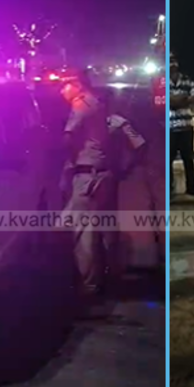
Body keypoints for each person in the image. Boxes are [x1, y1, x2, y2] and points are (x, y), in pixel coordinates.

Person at [60, 72, 115, 298]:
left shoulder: (81, 104)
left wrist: (64, 159)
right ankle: (100, 278)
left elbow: (68, 137)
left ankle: (87, 286)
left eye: (65, 86)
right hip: (100, 173)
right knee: (94, 230)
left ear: (77, 86)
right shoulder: (96, 102)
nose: (61, 91)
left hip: (87, 175)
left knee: (77, 231)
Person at [104, 105, 147, 283]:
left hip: (107, 175)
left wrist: (127, 168)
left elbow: (140, 145)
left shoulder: (117, 122)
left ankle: (110, 266)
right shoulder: (116, 122)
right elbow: (140, 146)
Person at [169, 58, 194, 198]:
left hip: (186, 127)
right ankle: (169, 189)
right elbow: (165, 102)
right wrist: (184, 98)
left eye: (174, 62)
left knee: (188, 159)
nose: (173, 64)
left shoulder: (186, 80)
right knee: (168, 160)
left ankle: (192, 187)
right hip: (170, 128)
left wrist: (176, 99)